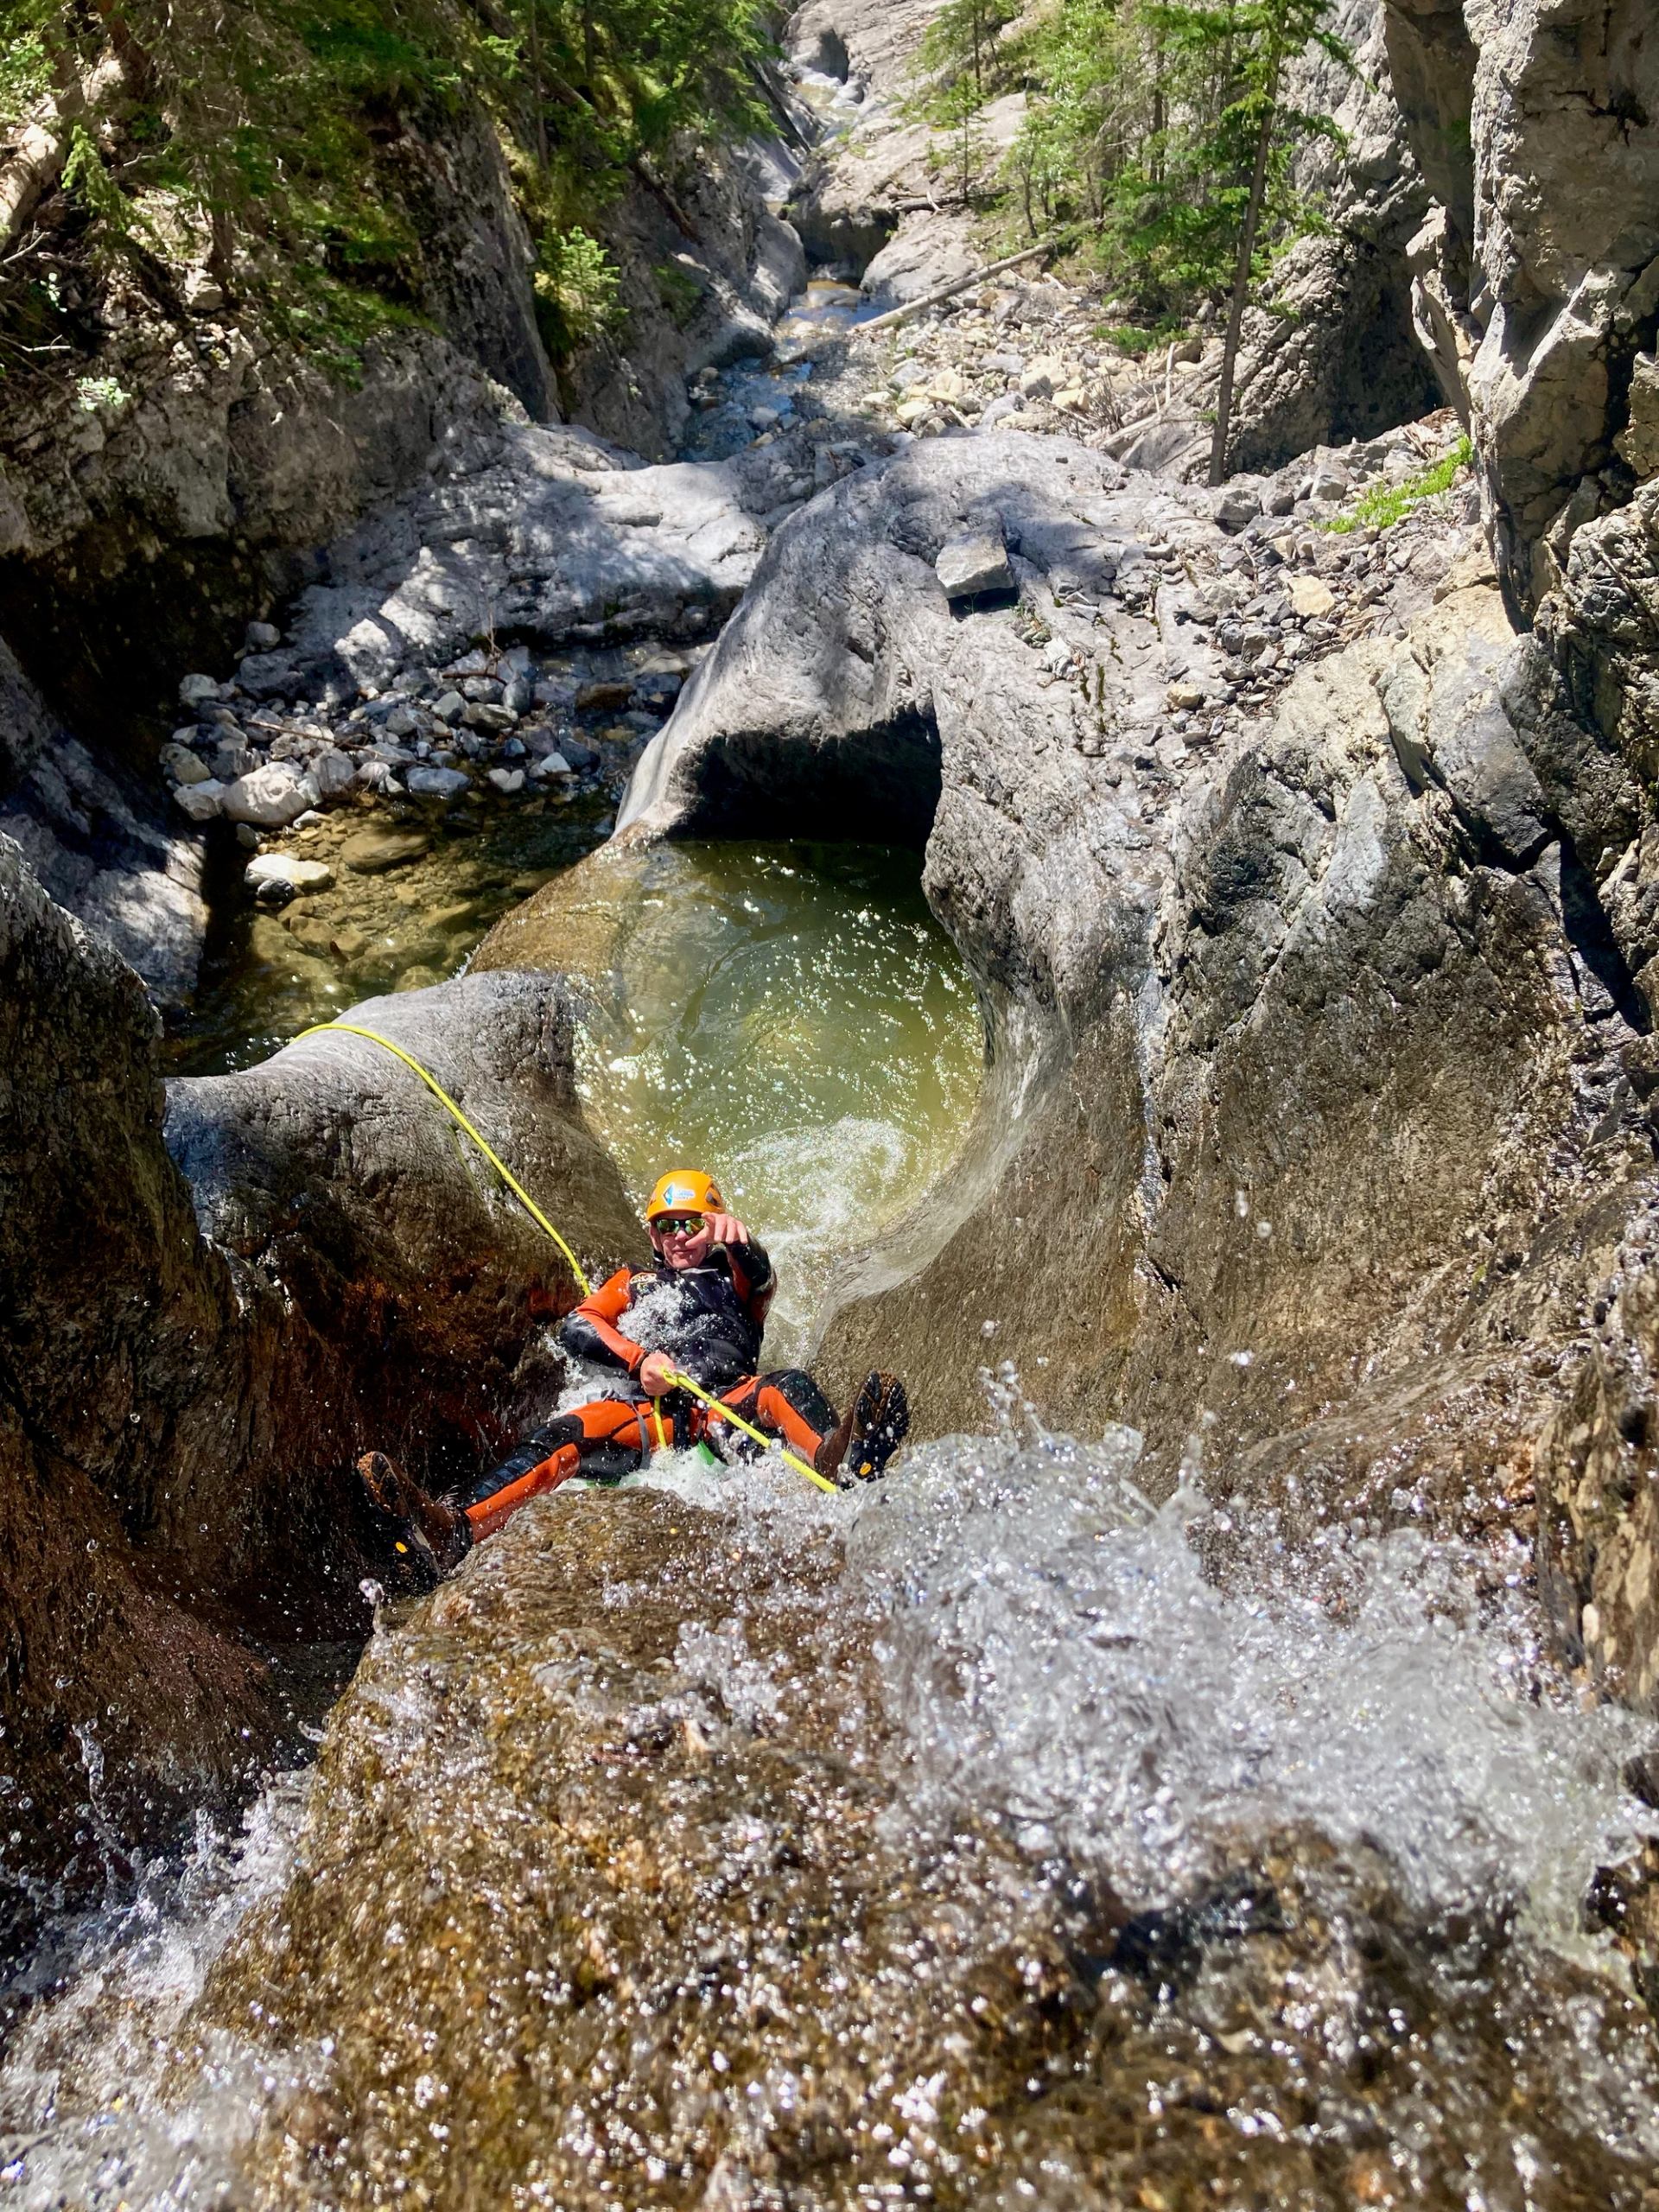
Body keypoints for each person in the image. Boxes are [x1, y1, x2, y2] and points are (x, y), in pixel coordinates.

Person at [358, 1168, 910, 1580]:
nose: (676, 1237)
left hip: (726, 1402)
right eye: (664, 1228)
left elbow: (760, 1273)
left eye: (690, 1224)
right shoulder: (636, 1284)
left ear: (714, 1225)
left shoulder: (735, 1278)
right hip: (653, 1414)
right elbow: (577, 1326)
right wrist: (640, 1361)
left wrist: (739, 1242)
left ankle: (841, 1459)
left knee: (784, 1387)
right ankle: (453, 1530)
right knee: (571, 1431)